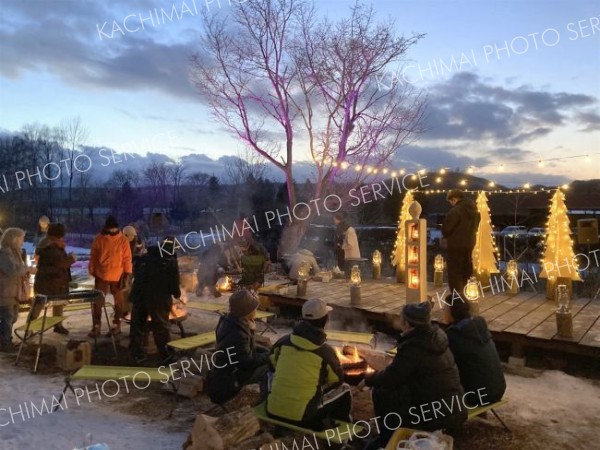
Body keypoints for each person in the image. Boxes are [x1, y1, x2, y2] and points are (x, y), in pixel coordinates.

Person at [363, 301, 467, 443]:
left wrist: (367, 378)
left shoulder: (414, 346)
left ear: (407, 323)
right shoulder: (435, 337)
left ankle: (388, 437)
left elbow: (391, 378)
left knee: (382, 392)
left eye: (401, 318)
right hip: (455, 407)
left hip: (436, 414)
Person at [267, 298, 351, 430]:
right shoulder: (325, 351)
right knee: (345, 389)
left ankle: (279, 414)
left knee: (271, 376)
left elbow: (272, 365)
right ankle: (339, 429)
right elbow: (337, 380)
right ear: (324, 321)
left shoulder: (283, 342)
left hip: (272, 411)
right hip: (303, 417)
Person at [206, 289, 270, 404]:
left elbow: (246, 349)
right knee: (269, 366)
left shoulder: (232, 322)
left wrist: (266, 351)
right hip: (232, 378)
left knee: (268, 356)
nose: (256, 310)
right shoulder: (237, 333)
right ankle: (264, 400)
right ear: (247, 311)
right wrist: (269, 355)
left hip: (228, 369)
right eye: (254, 308)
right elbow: (247, 363)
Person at [445, 295, 506, 406]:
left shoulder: (456, 335)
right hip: (498, 390)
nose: (443, 312)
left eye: (445, 309)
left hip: (477, 396)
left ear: (452, 311)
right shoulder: (478, 328)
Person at [129, 238, 181, 363]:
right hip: (158, 298)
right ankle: (166, 356)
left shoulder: (144, 258)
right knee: (161, 327)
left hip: (139, 296)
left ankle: (137, 354)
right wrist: (177, 294)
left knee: (137, 325)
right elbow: (173, 283)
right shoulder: (170, 261)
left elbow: (137, 275)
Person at [88, 216, 132, 337]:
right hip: (101, 274)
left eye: (114, 229)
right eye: (111, 229)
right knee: (97, 302)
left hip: (118, 275)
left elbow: (127, 258)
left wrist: (127, 273)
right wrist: (92, 270)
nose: (113, 231)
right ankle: (96, 325)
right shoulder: (99, 239)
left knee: (118, 302)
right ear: (106, 228)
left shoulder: (123, 240)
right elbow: (93, 256)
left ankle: (116, 324)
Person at [32, 223, 77, 335]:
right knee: (40, 303)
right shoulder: (50, 247)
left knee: (58, 303)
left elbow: (57, 261)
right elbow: (60, 262)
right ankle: (30, 326)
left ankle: (58, 325)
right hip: (50, 280)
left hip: (54, 280)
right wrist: (71, 259)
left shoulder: (50, 244)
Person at [0, 228, 37, 352]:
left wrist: (26, 271)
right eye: (21, 238)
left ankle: (4, 339)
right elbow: (12, 270)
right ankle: (5, 343)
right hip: (6, 290)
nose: (23, 241)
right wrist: (27, 269)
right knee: (8, 318)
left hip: (15, 290)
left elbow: (18, 269)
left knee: (13, 317)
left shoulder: (16, 252)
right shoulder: (5, 253)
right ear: (14, 239)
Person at [441, 189, 480, 297]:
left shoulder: (455, 211)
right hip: (469, 243)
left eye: (450, 201)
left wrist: (445, 235)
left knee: (454, 271)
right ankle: (464, 293)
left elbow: (447, 229)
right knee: (466, 269)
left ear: (454, 199)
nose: (451, 204)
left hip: (455, 244)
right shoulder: (474, 210)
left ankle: (456, 297)